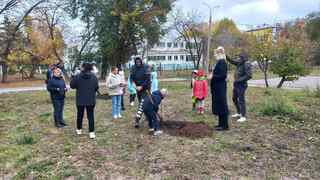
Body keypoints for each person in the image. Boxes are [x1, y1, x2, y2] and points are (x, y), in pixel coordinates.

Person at [70, 62, 99, 139]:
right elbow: (96, 87)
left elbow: (72, 86)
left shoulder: (77, 76)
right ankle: (91, 132)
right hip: (90, 100)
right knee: (90, 116)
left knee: (80, 115)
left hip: (80, 100)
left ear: (83, 68)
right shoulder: (94, 77)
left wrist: (73, 77)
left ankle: (79, 129)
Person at [226, 52, 252, 122]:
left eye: (239, 57)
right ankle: (239, 112)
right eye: (238, 57)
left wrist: (238, 80)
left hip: (242, 85)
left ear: (243, 58)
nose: (237, 58)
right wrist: (224, 54)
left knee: (241, 100)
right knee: (234, 98)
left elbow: (249, 76)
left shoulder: (246, 64)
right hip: (236, 84)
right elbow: (231, 61)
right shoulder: (239, 63)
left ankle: (243, 116)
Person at [210, 46, 229, 131]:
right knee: (219, 105)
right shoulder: (219, 62)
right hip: (218, 87)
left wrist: (212, 76)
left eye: (216, 53)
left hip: (220, 87)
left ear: (220, 53)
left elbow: (222, 76)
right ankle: (220, 124)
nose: (215, 55)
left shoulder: (222, 62)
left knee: (222, 105)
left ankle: (224, 126)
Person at [129, 57, 151, 128]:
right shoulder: (133, 68)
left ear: (141, 61)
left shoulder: (146, 67)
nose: (138, 63)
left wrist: (141, 86)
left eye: (139, 62)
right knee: (142, 104)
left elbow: (147, 79)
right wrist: (135, 86)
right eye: (136, 62)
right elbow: (131, 78)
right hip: (138, 89)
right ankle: (147, 116)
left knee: (142, 105)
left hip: (146, 89)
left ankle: (137, 120)